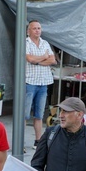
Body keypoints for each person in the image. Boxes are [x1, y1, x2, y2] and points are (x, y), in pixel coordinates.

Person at [25, 20, 57, 149]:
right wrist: (43, 57)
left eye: (39, 28)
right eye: (34, 28)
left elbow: (53, 60)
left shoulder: (45, 43)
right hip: (30, 81)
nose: (37, 30)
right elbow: (29, 59)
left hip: (43, 81)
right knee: (25, 114)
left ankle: (38, 141)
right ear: (29, 31)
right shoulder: (25, 43)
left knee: (39, 114)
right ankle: (20, 142)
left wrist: (38, 61)